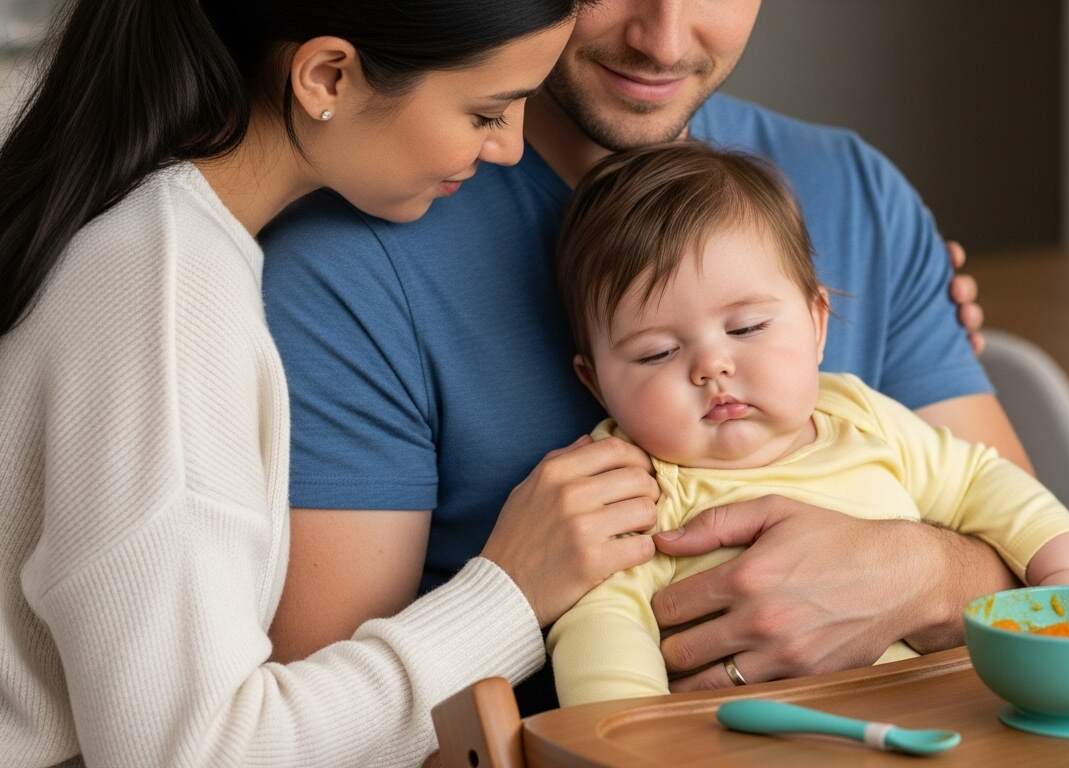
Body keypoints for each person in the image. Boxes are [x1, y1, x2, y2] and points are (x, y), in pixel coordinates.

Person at [260, 0, 1028, 707]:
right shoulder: (348, 264)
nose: (661, 40)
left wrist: (921, 575)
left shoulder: (855, 190)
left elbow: (1037, 567)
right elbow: (332, 726)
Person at [0, 1, 619, 766]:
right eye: (486, 111)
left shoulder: (158, 244)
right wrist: (510, 595)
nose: (510, 148)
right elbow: (195, 753)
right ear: (327, 76)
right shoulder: (165, 288)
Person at [546, 143, 1069, 706]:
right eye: (656, 353)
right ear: (596, 383)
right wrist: (629, 737)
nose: (713, 366)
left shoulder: (858, 414)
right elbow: (602, 621)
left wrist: (1065, 570)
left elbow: (981, 481)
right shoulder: (626, 485)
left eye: (747, 328)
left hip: (936, 720)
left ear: (817, 323)